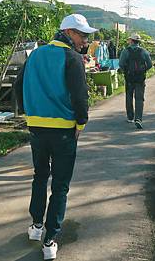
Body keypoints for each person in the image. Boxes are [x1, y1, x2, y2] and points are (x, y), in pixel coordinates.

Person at [14, 13, 96, 260]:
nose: (85, 40)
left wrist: (29, 113)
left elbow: (19, 86)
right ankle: (50, 239)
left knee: (40, 177)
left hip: (37, 128)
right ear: (69, 32)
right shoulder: (71, 58)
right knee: (60, 185)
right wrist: (81, 122)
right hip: (63, 130)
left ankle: (36, 227)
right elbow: (79, 96)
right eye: (82, 35)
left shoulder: (36, 54)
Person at [119, 33, 152, 129]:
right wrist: (142, 70)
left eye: (130, 40)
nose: (129, 41)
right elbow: (149, 64)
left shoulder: (125, 51)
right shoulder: (144, 52)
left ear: (132, 41)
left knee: (129, 97)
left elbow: (121, 64)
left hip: (129, 78)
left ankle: (130, 117)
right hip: (140, 79)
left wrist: (126, 71)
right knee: (139, 98)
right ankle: (138, 119)